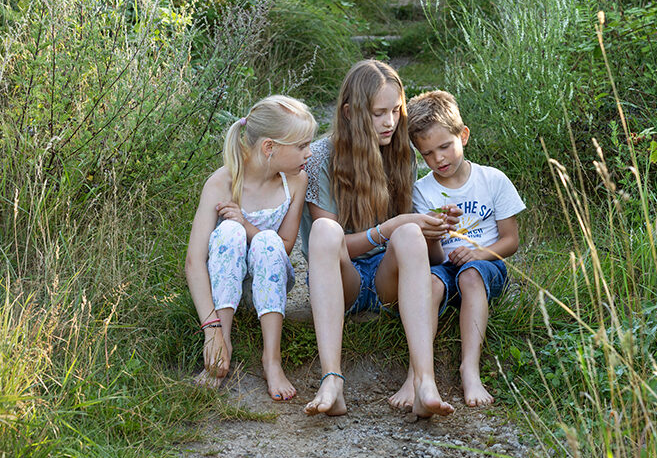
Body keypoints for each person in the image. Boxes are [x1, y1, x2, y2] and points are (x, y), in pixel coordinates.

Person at [301, 60, 460, 418]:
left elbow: (423, 255)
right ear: (349, 112)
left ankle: (424, 381)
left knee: (408, 231)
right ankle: (332, 380)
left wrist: (431, 228)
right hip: (343, 283)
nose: (389, 122)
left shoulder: (400, 152)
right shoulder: (322, 159)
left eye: (395, 110)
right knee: (328, 230)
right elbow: (329, 247)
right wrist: (387, 228)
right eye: (378, 113)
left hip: (388, 280)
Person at [185, 95, 317, 401]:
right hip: (224, 288)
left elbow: (284, 245)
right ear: (269, 147)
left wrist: (249, 227)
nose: (309, 153)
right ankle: (222, 343)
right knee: (229, 231)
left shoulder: (295, 182)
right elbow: (194, 261)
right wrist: (210, 328)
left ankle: (272, 359)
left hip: (269, 283)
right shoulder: (222, 182)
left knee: (266, 239)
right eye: (301, 146)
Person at [405, 90, 526, 407]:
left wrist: (477, 253)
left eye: (445, 146)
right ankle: (417, 374)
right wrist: (434, 233)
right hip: (444, 269)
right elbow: (432, 259)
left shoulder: (492, 180)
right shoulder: (423, 191)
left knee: (470, 275)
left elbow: (510, 241)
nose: (439, 159)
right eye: (428, 153)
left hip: (485, 268)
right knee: (427, 283)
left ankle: (469, 370)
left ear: (464, 135)